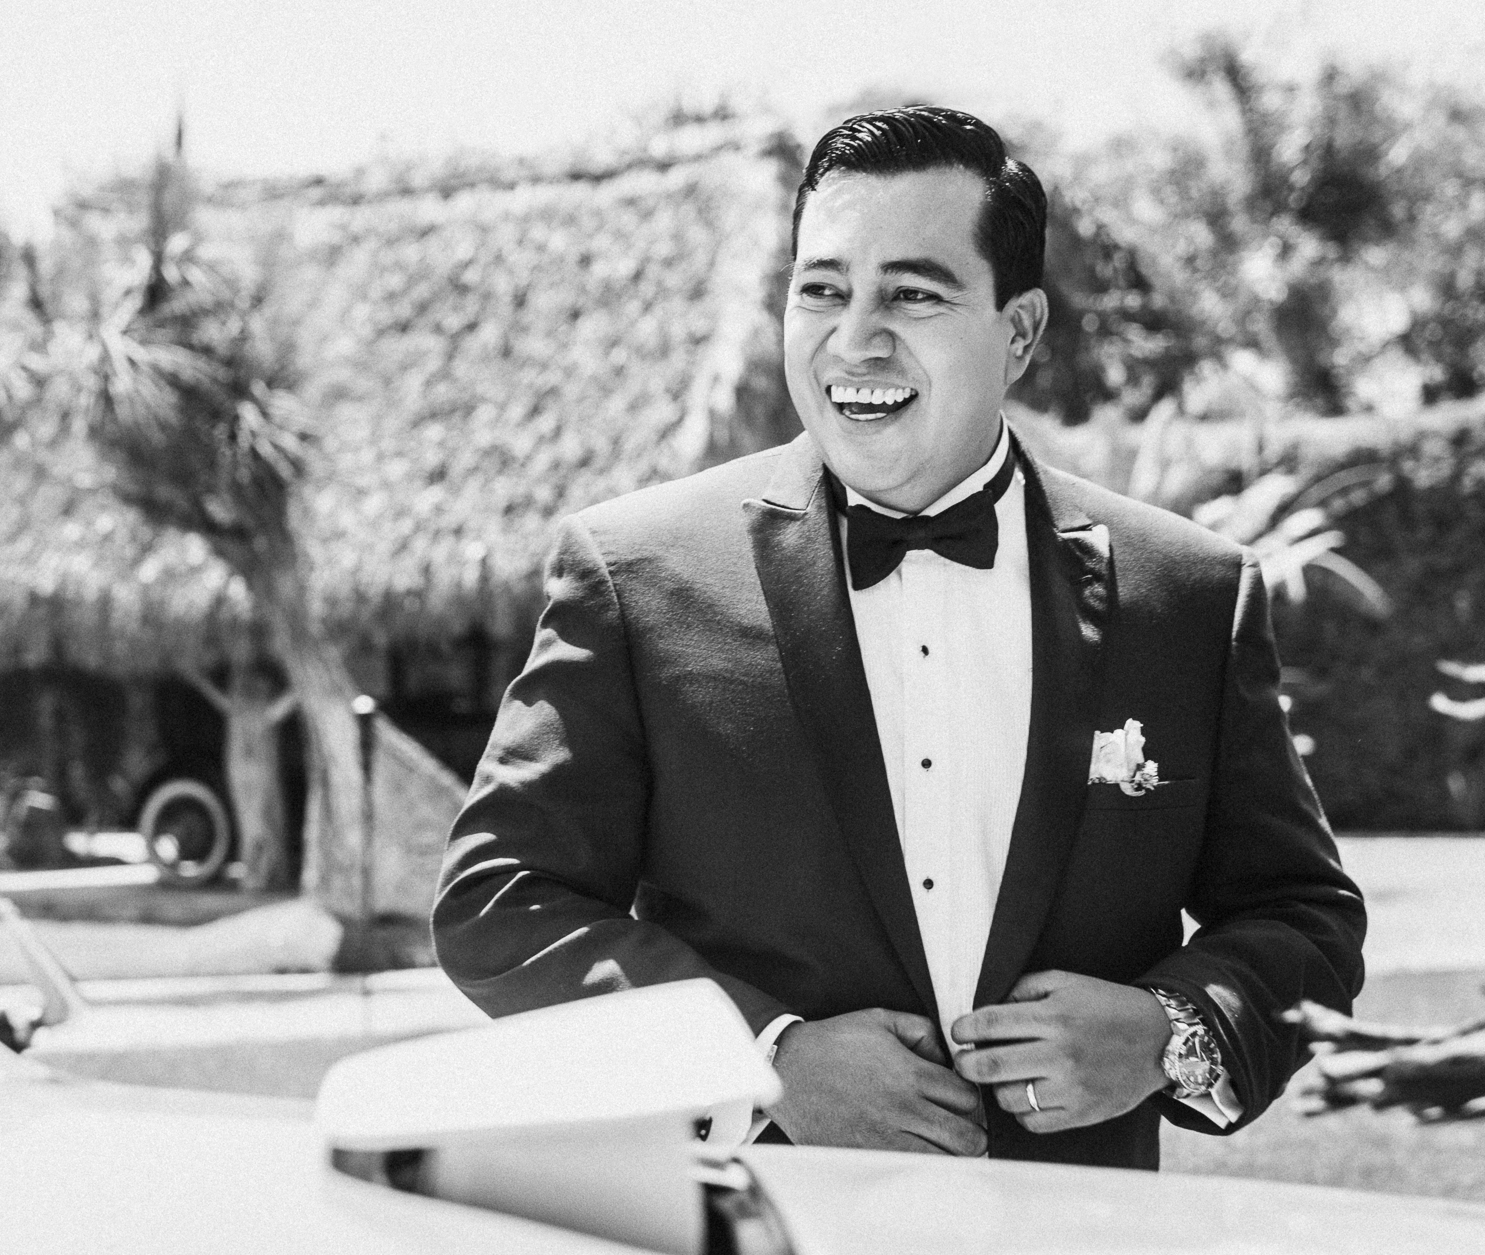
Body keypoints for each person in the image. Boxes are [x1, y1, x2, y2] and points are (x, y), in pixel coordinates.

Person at [430, 106, 1365, 1168]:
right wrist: (761, 1057)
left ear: (1016, 332)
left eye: (911, 293)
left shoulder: (1187, 594)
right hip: (756, 1216)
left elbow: (1302, 918)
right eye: (821, 289)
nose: (854, 336)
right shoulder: (635, 574)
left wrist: (1165, 1033)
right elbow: (500, 901)